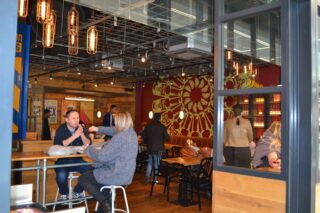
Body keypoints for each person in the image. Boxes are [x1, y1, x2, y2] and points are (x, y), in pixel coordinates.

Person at [79, 111, 138, 213]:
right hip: (126, 174)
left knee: (83, 179)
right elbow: (114, 131)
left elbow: (102, 156)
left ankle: (106, 203)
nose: (115, 124)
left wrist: (88, 149)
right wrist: (98, 129)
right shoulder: (131, 133)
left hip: (116, 173)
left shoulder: (120, 137)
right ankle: (107, 203)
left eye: (115, 122)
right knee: (96, 176)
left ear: (119, 123)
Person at [53, 109, 92, 201]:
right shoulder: (61, 129)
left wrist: (81, 133)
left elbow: (88, 143)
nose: (76, 120)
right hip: (62, 160)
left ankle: (77, 191)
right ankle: (64, 193)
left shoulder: (82, 128)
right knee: (61, 175)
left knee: (92, 172)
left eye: (77, 118)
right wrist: (75, 135)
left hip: (77, 160)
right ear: (67, 120)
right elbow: (58, 144)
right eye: (73, 118)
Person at [142, 113, 170, 183]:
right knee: (156, 163)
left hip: (150, 147)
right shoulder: (162, 126)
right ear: (160, 118)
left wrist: (147, 142)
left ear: (153, 118)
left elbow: (143, 135)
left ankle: (147, 177)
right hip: (159, 148)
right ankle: (154, 179)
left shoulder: (148, 126)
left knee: (150, 162)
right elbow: (167, 137)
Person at [223, 104, 253, 168]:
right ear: (242, 111)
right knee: (243, 173)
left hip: (229, 150)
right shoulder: (247, 122)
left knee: (231, 173)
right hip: (244, 151)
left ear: (233, 111)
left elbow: (223, 139)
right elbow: (251, 138)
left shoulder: (227, 122)